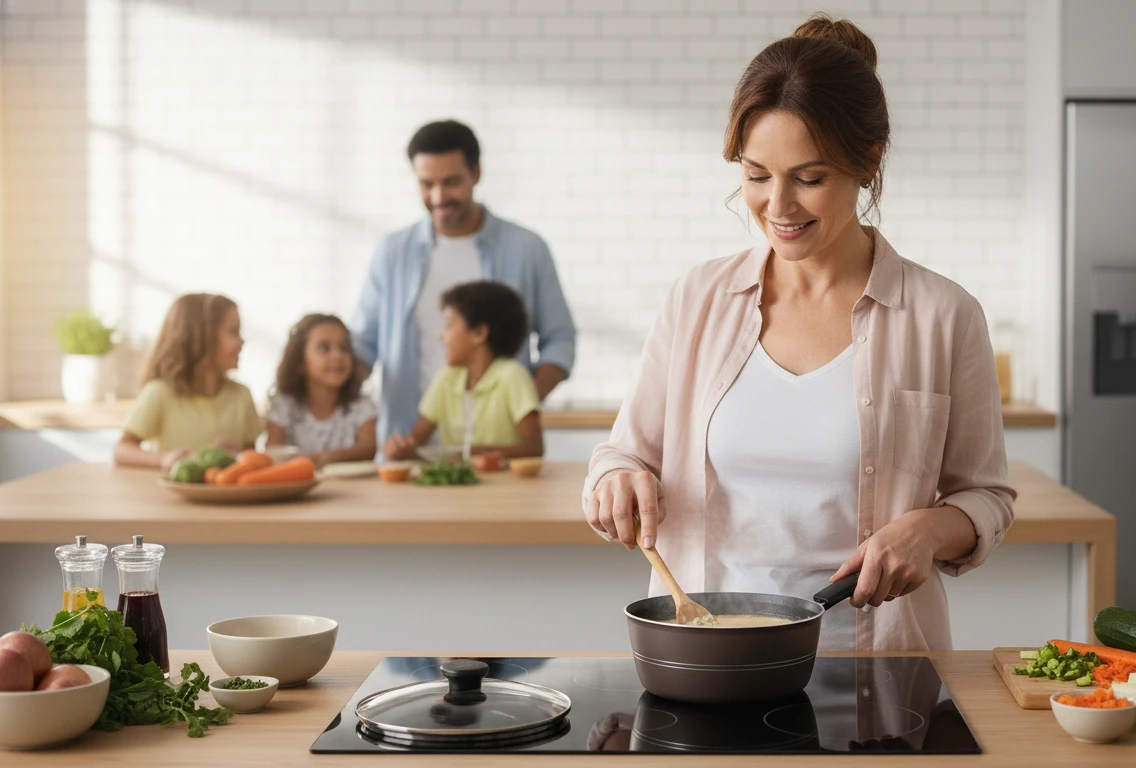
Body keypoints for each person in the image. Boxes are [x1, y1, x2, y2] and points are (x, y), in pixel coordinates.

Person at [582, 15, 1016, 652]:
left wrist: (926, 530)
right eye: (757, 176)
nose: (777, 207)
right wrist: (616, 482)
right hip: (705, 658)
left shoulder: (943, 315)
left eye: (809, 178)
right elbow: (622, 457)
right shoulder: (698, 299)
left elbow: (987, 497)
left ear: (869, 162)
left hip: (881, 672)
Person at [350, 119, 576, 447]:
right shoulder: (392, 253)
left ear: (476, 173)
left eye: (451, 182)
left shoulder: (526, 249)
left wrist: (517, 400)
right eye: (426, 184)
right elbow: (362, 345)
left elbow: (561, 340)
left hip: (495, 455)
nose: (439, 196)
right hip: (407, 445)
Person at [383, 281, 543, 461]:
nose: (441, 336)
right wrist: (400, 448)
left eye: (449, 325)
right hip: (458, 487)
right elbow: (416, 442)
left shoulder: (512, 376)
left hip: (505, 486)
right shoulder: (446, 378)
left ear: (479, 333)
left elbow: (534, 447)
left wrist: (468, 454)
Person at [114, 293, 264, 469]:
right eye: (233, 331)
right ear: (201, 338)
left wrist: (237, 454)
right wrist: (164, 459)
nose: (242, 341)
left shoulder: (241, 395)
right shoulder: (160, 392)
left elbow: (250, 455)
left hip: (226, 495)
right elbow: (122, 450)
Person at [265, 314, 378, 467]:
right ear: (300, 363)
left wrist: (321, 458)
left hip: (352, 488)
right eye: (324, 348)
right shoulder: (284, 404)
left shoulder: (361, 405)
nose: (337, 355)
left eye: (343, 348)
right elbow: (272, 449)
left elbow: (368, 449)